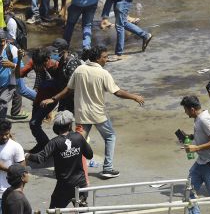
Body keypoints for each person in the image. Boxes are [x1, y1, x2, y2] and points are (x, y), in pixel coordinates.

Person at [40, 45, 145, 179]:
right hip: (98, 115)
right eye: (105, 57)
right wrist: (134, 97)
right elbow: (117, 92)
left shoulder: (79, 70)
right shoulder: (103, 73)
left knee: (76, 143)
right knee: (110, 137)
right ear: (97, 58)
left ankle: (64, 168)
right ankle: (107, 168)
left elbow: (68, 90)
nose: (107, 60)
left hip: (82, 115)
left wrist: (53, 99)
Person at [25, 110, 93, 208]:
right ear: (70, 125)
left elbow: (40, 158)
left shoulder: (54, 143)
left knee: (54, 210)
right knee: (81, 210)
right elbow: (89, 155)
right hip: (80, 183)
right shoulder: (79, 137)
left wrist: (27, 155)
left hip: (64, 186)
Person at [180, 95, 210, 214]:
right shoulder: (198, 118)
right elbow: (204, 134)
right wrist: (191, 137)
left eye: (186, 109)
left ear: (192, 109)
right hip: (201, 163)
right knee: (189, 191)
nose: (185, 112)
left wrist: (196, 148)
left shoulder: (204, 119)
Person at [0, 120, 25, 204]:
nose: (4, 137)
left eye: (6, 134)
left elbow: (22, 172)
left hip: (6, 193)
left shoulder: (16, 147)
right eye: (1, 134)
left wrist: (19, 192)